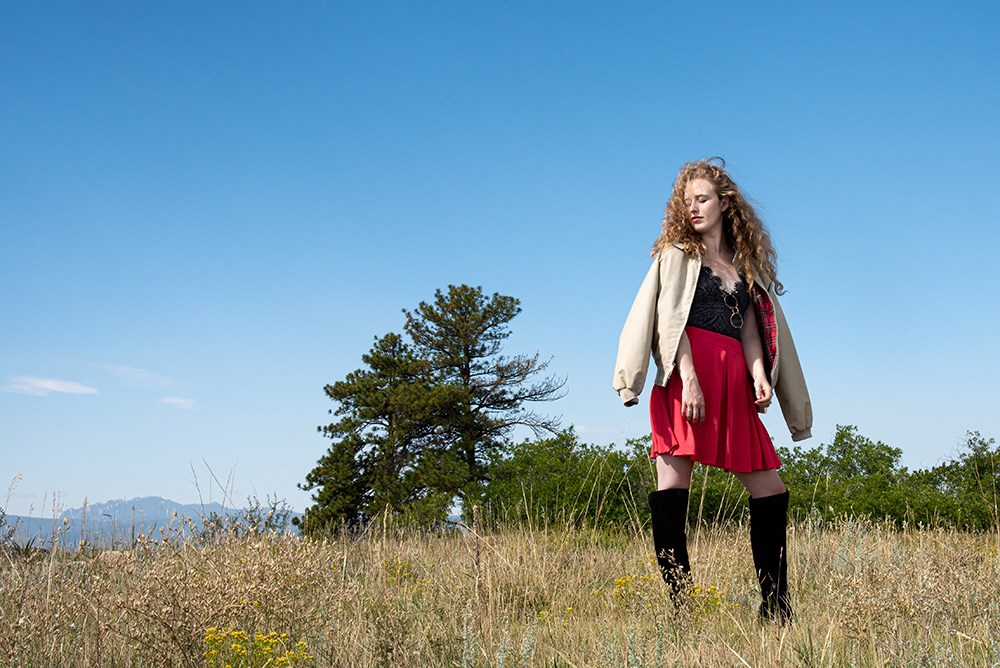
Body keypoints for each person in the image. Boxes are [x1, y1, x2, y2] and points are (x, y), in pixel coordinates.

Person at [612, 158, 812, 621]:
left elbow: (749, 330)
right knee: (672, 487)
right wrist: (689, 380)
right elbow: (671, 321)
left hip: (733, 380)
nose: (694, 208)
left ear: (725, 203)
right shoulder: (677, 254)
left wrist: (759, 373)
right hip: (687, 377)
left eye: (702, 199)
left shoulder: (744, 264)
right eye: (687, 201)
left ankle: (776, 607)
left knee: (771, 490)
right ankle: (683, 609)